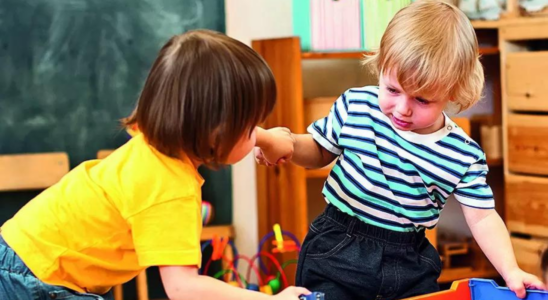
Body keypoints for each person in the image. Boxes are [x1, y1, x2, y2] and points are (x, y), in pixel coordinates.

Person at [254, 1, 545, 299]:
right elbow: (319, 150)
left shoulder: (462, 154)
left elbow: (483, 218)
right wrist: (289, 142)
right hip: (338, 249)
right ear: (380, 69)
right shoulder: (357, 106)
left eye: (422, 100)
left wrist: (510, 269)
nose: (402, 109)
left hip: (409, 263)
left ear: (453, 91)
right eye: (392, 90)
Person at [0, 29, 309, 300]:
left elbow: (213, 123)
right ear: (217, 131)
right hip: (38, 281)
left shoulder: (152, 141)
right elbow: (183, 288)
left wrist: (266, 138)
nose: (257, 131)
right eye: (252, 124)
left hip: (20, 254)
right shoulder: (171, 188)